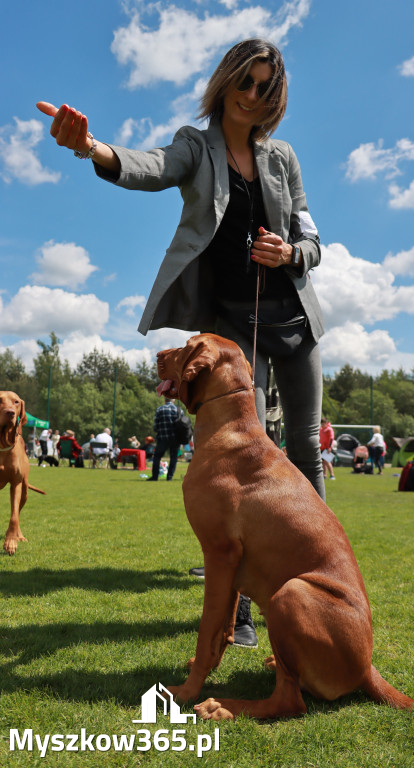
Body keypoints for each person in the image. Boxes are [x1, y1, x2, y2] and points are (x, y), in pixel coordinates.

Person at [37, 38, 325, 649]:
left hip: (295, 325)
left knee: (303, 449)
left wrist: (290, 252)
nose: (253, 95)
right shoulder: (197, 147)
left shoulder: (284, 159)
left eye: (265, 86)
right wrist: (93, 147)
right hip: (232, 336)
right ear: (225, 83)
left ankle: (316, 580)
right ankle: (242, 612)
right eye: (245, 81)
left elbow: (311, 238)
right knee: (250, 458)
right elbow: (150, 167)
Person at [149, 396, 180, 482]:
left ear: (165, 400)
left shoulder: (160, 409)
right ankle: (169, 478)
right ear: (173, 400)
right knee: (173, 458)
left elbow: (155, 427)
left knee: (157, 457)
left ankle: (155, 477)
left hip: (162, 438)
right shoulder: (178, 410)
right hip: (175, 439)